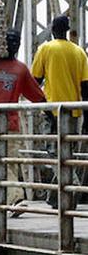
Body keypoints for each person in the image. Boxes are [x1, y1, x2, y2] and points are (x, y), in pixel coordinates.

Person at [0, 29, 46, 217]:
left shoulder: (20, 68)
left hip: (10, 123)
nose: (14, 44)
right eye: (10, 40)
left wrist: (53, 112)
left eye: (17, 41)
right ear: (2, 43)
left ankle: (16, 199)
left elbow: (36, 95)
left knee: (10, 162)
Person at [31, 15, 88, 207]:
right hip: (73, 112)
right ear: (67, 30)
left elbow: (35, 80)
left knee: (55, 153)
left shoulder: (46, 49)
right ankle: (55, 198)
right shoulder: (79, 52)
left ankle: (75, 190)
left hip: (52, 109)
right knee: (66, 153)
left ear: (53, 29)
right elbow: (86, 86)